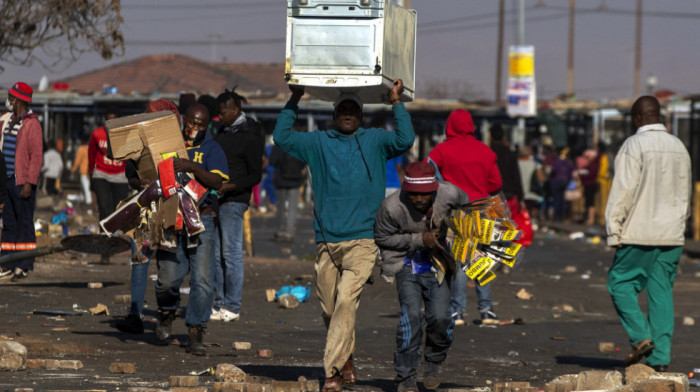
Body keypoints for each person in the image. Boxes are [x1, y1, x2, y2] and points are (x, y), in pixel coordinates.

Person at [273, 79, 414, 392]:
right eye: (343, 108)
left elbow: (406, 139)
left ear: (361, 115)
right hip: (327, 240)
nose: (348, 112)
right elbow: (281, 137)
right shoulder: (317, 143)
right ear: (335, 113)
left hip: (364, 240)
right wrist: (294, 100)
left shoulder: (376, 140)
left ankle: (333, 373)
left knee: (346, 301)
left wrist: (396, 102)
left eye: (354, 109)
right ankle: (346, 357)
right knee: (329, 308)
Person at [606, 96, 691, 372]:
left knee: (620, 285)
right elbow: (686, 194)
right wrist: (680, 224)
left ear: (637, 119)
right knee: (661, 293)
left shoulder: (634, 145)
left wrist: (614, 230)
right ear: (661, 116)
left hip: (639, 232)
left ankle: (641, 337)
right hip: (672, 234)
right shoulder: (679, 147)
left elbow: (623, 192)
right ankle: (660, 358)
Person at [375, 162, 469, 392]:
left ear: (434, 189)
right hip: (405, 264)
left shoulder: (450, 194)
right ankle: (405, 377)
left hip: (439, 264)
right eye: (413, 194)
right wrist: (419, 240)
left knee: (440, 318)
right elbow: (382, 238)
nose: (418, 199)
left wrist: (458, 232)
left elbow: (469, 211)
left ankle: (434, 362)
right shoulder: (391, 207)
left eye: (424, 194)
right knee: (411, 318)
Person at [154, 103, 229, 356]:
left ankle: (196, 331)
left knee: (203, 280)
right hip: (172, 219)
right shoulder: (171, 142)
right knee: (168, 278)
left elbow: (218, 182)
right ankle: (166, 312)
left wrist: (193, 168)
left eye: (200, 125)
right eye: (191, 123)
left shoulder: (212, 148)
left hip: (202, 219)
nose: (194, 128)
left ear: (207, 126)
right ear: (184, 120)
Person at [427, 109, 501, 326]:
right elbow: (496, 183)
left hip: (456, 211)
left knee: (459, 262)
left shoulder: (441, 150)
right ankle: (486, 309)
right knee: (480, 259)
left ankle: (457, 311)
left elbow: (426, 172)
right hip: (482, 210)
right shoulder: (485, 151)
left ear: (449, 126)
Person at [115, 98, 182, 335]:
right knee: (140, 258)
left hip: (173, 206)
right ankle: (136, 314)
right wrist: (138, 182)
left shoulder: (180, 142)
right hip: (146, 206)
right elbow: (130, 175)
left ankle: (166, 313)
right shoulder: (137, 143)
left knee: (168, 261)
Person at [211, 87, 264, 322]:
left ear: (236, 110)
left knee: (230, 253)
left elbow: (255, 175)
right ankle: (218, 303)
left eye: (224, 112)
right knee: (215, 255)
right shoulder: (221, 133)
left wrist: (230, 186)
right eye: (219, 113)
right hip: (215, 199)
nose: (220, 117)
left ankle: (232, 306)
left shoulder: (251, 135)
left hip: (235, 200)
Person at [0, 82, 44, 281]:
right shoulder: (7, 120)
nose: (8, 100)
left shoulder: (32, 124)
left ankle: (24, 264)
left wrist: (29, 182)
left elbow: (36, 155)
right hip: (6, 180)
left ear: (18, 100)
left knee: (24, 223)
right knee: (8, 222)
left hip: (22, 182)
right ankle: (7, 262)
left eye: (11, 97)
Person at [88, 106, 130, 223]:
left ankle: (117, 237)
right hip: (101, 174)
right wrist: (91, 174)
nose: (110, 123)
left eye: (114, 120)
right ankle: (104, 235)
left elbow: (130, 156)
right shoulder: (97, 134)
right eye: (108, 120)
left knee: (119, 209)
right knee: (104, 208)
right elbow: (91, 154)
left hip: (120, 175)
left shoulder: (125, 135)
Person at [270, 143, 305, 243]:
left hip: (281, 180)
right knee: (292, 208)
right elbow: (303, 162)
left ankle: (279, 231)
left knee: (280, 208)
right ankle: (290, 233)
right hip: (295, 180)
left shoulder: (278, 145)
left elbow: (272, 161)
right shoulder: (297, 145)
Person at [489, 124, 523, 211]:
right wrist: (520, 197)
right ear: (503, 137)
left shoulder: (487, 153)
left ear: (491, 137)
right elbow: (516, 175)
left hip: (492, 194)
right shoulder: (509, 153)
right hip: (509, 194)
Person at [549, 147, 574, 221]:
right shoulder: (569, 163)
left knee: (557, 199)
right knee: (561, 199)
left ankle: (557, 216)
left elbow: (553, 171)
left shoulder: (557, 162)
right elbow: (571, 173)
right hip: (564, 181)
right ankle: (561, 216)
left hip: (556, 181)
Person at [579, 147, 600, 225]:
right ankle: (588, 218)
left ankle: (591, 219)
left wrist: (582, 173)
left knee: (590, 202)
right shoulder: (590, 164)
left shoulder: (594, 165)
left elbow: (590, 173)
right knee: (588, 202)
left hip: (591, 184)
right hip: (587, 184)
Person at [71, 135, 92, 207]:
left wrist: (73, 170)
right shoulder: (91, 148)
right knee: (85, 187)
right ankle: (83, 199)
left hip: (83, 171)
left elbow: (77, 161)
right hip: (91, 170)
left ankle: (89, 202)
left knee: (86, 187)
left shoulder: (81, 149)